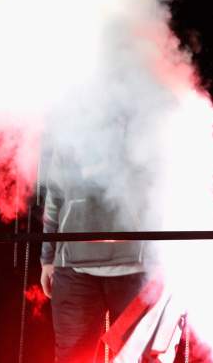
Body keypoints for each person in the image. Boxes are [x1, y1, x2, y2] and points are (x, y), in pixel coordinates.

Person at [40, 147, 147, 363]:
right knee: (74, 358)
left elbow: (168, 188)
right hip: (74, 268)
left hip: (137, 267)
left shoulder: (148, 125)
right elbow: (55, 199)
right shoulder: (68, 137)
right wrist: (48, 258)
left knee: (139, 356)